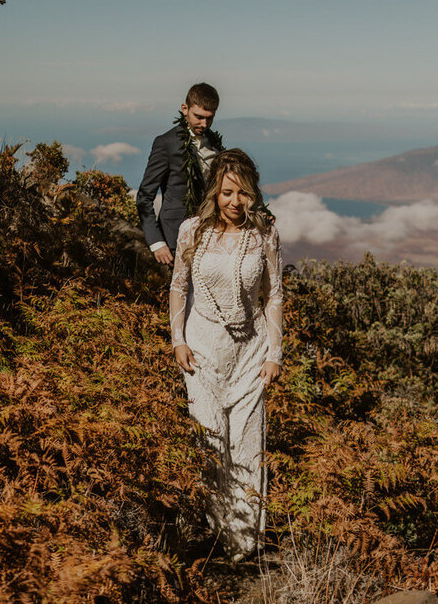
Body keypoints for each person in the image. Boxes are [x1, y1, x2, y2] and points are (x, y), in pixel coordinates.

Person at [169, 148, 282, 559]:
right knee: (212, 444)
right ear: (215, 192)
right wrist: (177, 340)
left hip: (251, 353)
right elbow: (179, 286)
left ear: (254, 194)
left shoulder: (265, 233)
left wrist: (275, 353)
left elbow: (274, 295)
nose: (236, 202)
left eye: (244, 194)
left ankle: (244, 543)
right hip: (201, 352)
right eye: (227, 193)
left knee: (249, 446)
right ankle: (217, 535)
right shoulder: (191, 231)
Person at [136, 83, 223, 267]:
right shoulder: (166, 143)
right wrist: (156, 242)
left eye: (209, 118)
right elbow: (144, 197)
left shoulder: (214, 143)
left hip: (210, 236)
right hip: (173, 238)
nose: (204, 124)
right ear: (185, 109)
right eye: (198, 117)